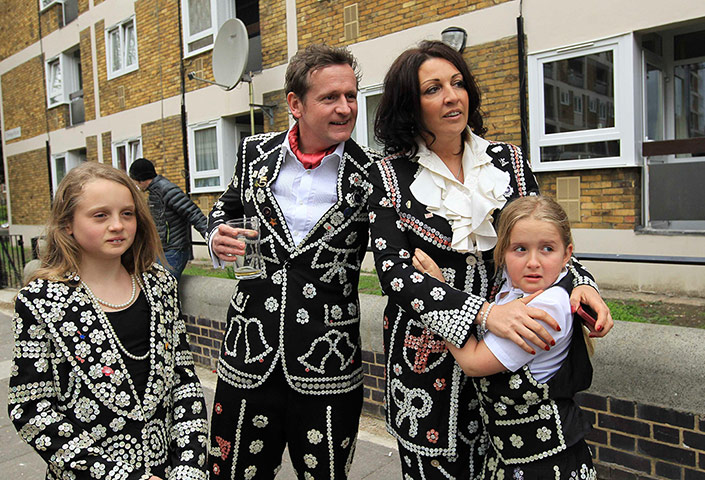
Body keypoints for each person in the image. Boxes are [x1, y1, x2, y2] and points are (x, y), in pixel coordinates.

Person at [368, 40, 612, 479]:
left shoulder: (507, 160)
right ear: (409, 104)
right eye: (433, 89)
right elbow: (394, 273)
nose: (451, 96)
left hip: (510, 364)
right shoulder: (387, 174)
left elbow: (544, 236)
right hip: (430, 359)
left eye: (458, 83)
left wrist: (582, 284)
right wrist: (484, 313)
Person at [205, 44, 381, 479]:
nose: (345, 108)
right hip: (247, 353)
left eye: (351, 96)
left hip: (328, 364)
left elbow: (401, 251)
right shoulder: (254, 154)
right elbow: (225, 208)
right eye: (330, 98)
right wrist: (216, 235)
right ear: (295, 104)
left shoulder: (374, 174)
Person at [8, 162, 208, 480]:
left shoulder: (159, 285)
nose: (117, 225)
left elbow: (183, 382)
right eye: (100, 215)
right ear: (67, 224)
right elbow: (31, 408)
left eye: (127, 213)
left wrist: (189, 466)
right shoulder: (41, 300)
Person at [415, 196, 597, 479]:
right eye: (520, 249)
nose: (533, 262)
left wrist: (440, 295)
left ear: (567, 254)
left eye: (547, 249)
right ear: (502, 253)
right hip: (508, 456)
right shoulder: (510, 286)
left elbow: (474, 362)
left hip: (545, 464)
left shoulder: (547, 308)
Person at [129, 157, 208, 280]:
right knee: (154, 285)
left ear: (139, 180)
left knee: (164, 287)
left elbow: (194, 213)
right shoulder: (154, 192)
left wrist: (212, 238)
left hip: (175, 251)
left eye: (133, 181)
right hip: (162, 250)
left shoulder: (167, 190)